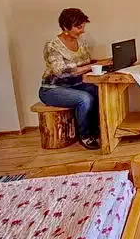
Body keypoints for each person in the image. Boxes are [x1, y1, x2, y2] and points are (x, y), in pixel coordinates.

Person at [38, 8, 111, 150]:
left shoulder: (80, 42)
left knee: (99, 91)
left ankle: (97, 129)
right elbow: (61, 72)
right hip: (53, 89)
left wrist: (107, 61)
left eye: (83, 26)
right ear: (65, 27)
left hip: (76, 85)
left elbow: (86, 63)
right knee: (85, 99)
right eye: (78, 27)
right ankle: (85, 135)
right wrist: (94, 65)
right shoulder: (52, 46)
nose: (82, 30)